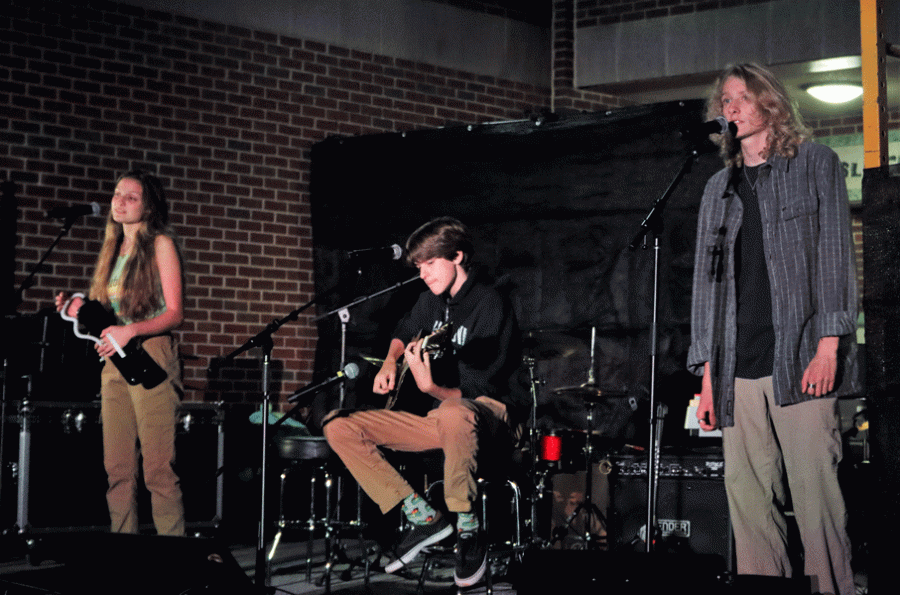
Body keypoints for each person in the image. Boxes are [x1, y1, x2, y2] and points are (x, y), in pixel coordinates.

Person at [688, 63, 860, 595]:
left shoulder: (814, 164)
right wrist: (708, 375)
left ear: (770, 104)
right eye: (725, 99)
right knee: (748, 500)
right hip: (738, 365)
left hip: (802, 355)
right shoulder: (718, 187)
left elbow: (835, 257)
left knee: (816, 501)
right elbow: (707, 287)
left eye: (741, 97)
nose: (731, 107)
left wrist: (829, 345)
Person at [323, 217, 523, 588]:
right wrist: (390, 362)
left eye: (431, 264)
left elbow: (480, 388)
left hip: (491, 415)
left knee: (452, 410)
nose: (424, 274)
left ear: (458, 256)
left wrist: (430, 388)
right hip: (444, 418)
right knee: (339, 424)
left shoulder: (490, 303)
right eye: (418, 266)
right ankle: (422, 517)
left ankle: (468, 528)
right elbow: (402, 331)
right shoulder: (430, 301)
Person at [56, 169, 185, 536]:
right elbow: (109, 317)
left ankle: (172, 556)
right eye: (117, 195)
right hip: (115, 363)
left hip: (153, 356)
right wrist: (77, 309)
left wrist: (130, 331)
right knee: (118, 468)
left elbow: (174, 312)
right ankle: (124, 550)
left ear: (148, 205)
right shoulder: (113, 250)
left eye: (131, 197)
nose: (120, 202)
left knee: (158, 469)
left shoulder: (160, 243)